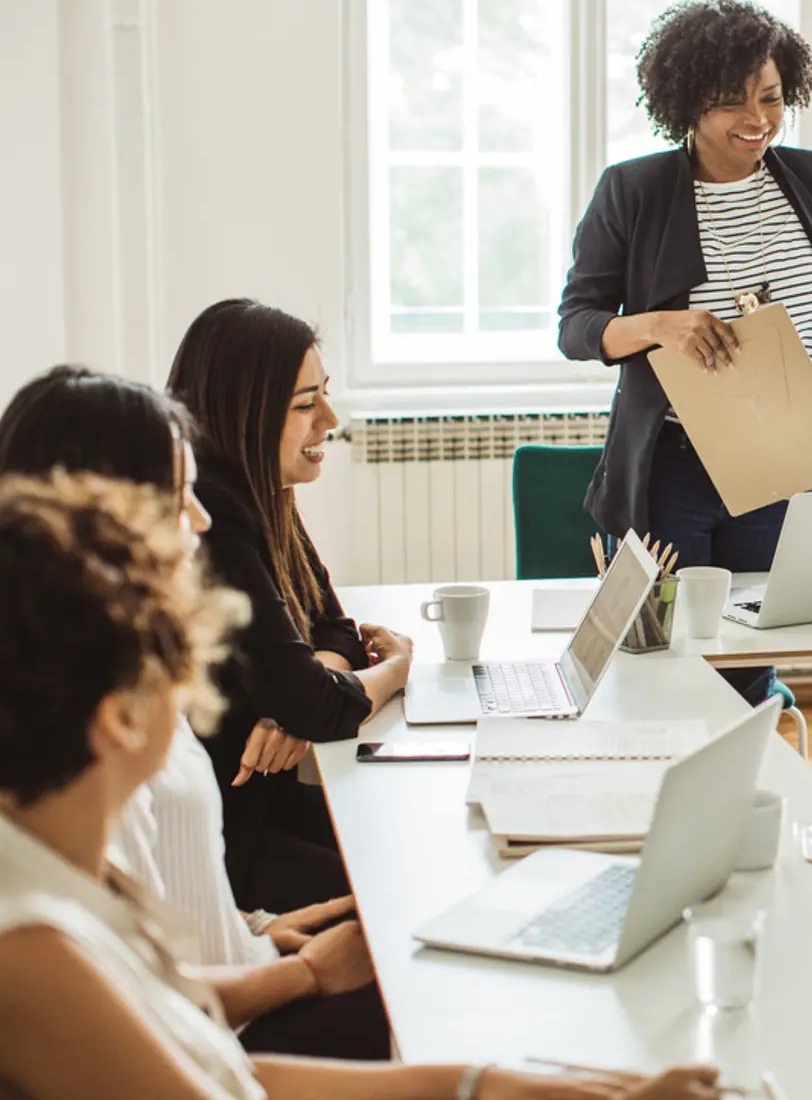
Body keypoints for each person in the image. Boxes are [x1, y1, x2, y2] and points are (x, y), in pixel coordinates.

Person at [0, 471, 721, 1099]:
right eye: (181, 673)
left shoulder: (53, 865)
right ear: (121, 718)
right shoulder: (29, 946)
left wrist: (498, 1085)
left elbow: (219, 1069)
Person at [0, 365, 391, 1059]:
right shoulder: (85, 726)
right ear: (111, 508)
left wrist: (256, 927)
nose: (203, 518)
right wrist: (298, 974)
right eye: (182, 496)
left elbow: (147, 922)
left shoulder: (128, 658)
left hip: (236, 967)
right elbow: (142, 992)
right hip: (223, 1013)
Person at [557, 0, 812, 705]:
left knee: (751, 658)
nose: (757, 120)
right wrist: (659, 325)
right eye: (730, 103)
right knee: (666, 657)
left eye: (771, 98)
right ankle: (657, 804)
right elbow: (577, 325)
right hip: (672, 470)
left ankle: (749, 799)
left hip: (779, 465)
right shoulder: (635, 191)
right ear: (685, 104)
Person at [167, 299, 415, 912]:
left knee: (407, 846)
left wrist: (299, 700)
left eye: (323, 395)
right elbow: (320, 704)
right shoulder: (213, 516)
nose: (330, 418)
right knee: (399, 894)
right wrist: (395, 670)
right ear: (243, 415)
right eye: (305, 405)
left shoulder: (260, 489)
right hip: (225, 842)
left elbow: (333, 625)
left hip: (261, 808)